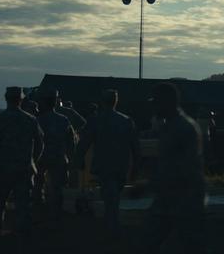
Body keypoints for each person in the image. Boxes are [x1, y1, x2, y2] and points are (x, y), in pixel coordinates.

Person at [139, 82, 205, 253]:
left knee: (190, 243)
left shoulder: (182, 128)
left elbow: (182, 167)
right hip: (173, 195)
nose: (153, 107)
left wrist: (149, 185)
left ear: (166, 102)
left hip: (183, 196)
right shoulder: (171, 126)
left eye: (156, 102)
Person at [76, 89, 140, 234]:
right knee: (114, 198)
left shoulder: (96, 120)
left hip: (104, 166)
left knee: (110, 199)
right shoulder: (126, 121)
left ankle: (112, 228)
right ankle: (113, 226)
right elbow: (136, 148)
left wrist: (79, 160)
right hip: (121, 167)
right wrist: (136, 166)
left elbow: (83, 143)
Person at [0, 87, 44, 239]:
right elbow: (40, 144)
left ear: (6, 98)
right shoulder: (30, 119)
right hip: (24, 168)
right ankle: (23, 232)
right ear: (21, 99)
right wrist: (32, 161)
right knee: (23, 203)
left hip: (2, 168)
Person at [35, 89, 77, 219]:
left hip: (41, 158)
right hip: (59, 157)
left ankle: (39, 212)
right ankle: (55, 214)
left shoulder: (37, 120)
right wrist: (71, 159)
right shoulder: (63, 120)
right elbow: (72, 142)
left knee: (38, 186)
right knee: (57, 189)